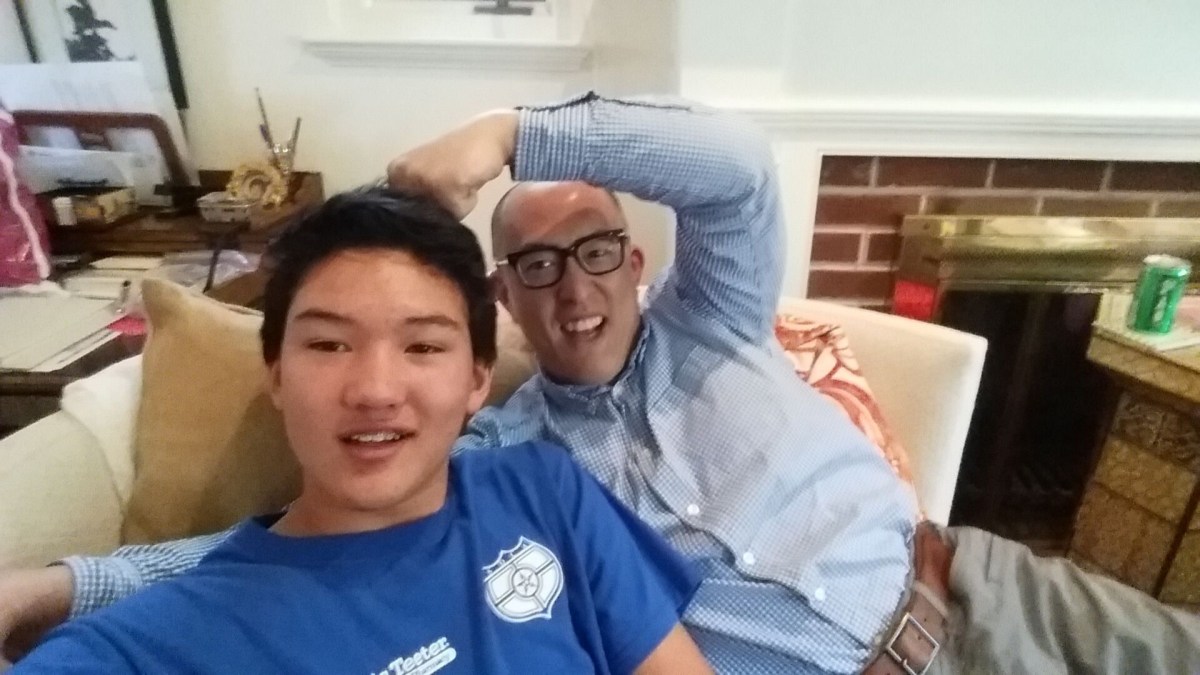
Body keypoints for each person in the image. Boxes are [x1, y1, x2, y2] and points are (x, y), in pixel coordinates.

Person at [3, 92, 1199, 673]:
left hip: (976, 597)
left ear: (636, 262)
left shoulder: (720, 319)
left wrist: (513, 137)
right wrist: (63, 583)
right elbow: (285, 543)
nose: (571, 287)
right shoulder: (507, 462)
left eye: (593, 252)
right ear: (504, 304)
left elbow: (736, 169)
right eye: (534, 265)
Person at [8, 188, 710, 674]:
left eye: (423, 345)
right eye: (329, 344)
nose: (375, 390)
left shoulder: (544, 491)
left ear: (477, 378)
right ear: (276, 374)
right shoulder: (163, 639)